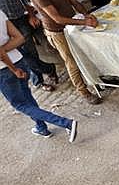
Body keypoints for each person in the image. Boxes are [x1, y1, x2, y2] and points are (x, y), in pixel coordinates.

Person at [27, 0, 102, 105]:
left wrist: (87, 14)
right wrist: (84, 21)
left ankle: (97, 79)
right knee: (71, 61)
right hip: (57, 30)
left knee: (87, 51)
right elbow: (57, 19)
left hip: (73, 23)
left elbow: (73, 1)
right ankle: (84, 91)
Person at [0, 10, 76, 141]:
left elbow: (1, 54)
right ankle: (41, 127)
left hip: (5, 69)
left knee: (20, 104)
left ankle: (65, 123)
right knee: (27, 97)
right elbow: (19, 38)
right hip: (18, 60)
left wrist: (12, 68)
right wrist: (5, 49)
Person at [0, 0, 57, 91]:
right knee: (22, 55)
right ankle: (46, 71)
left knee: (30, 51)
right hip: (4, 26)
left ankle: (40, 78)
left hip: (20, 18)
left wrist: (31, 15)